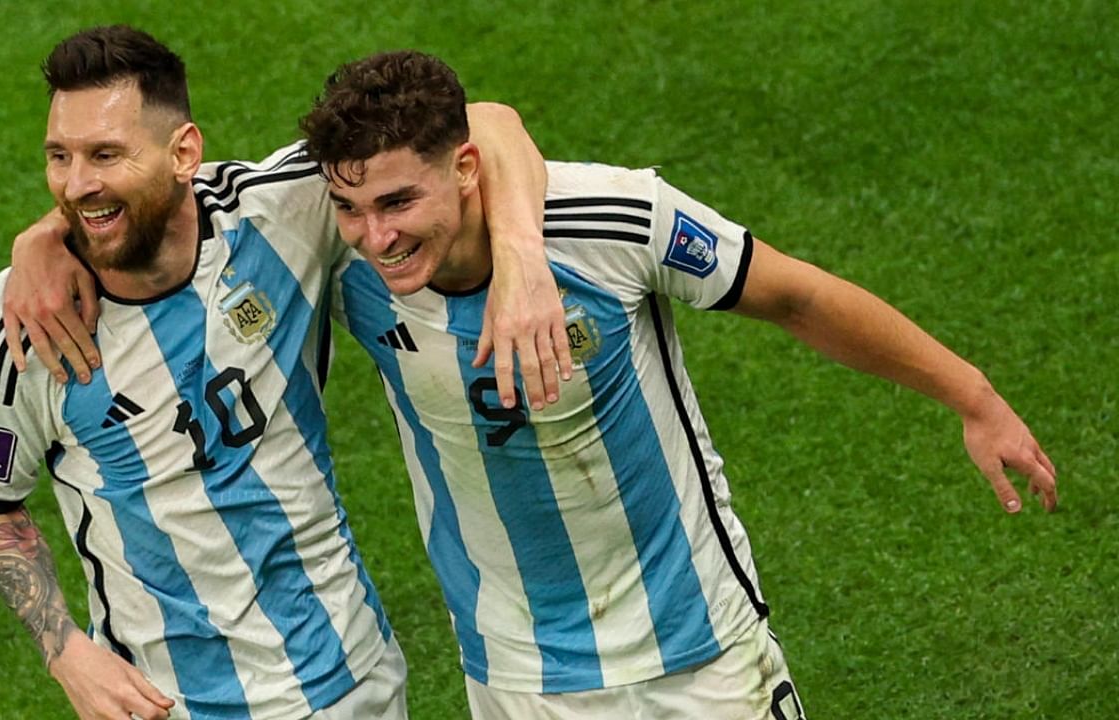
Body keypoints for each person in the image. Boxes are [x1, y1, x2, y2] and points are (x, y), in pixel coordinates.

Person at [293, 51, 1058, 718]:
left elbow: (799, 298)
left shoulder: (610, 221)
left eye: (398, 202)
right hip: (516, 673)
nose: (377, 236)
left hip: (697, 649)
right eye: (351, 209)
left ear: (465, 169)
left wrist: (973, 396)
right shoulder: (346, 264)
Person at [0, 27, 563, 720]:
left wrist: (522, 261)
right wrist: (65, 651)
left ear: (184, 152)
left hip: (352, 682)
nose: (77, 181)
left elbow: (482, 125)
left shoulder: (282, 213)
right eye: (59, 156)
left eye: (106, 154)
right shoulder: (21, 324)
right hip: (165, 704)